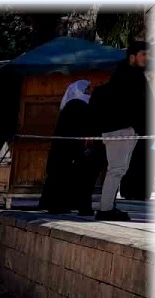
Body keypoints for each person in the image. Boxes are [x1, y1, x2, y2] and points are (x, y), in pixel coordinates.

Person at [90, 40, 150, 221]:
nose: (146, 58)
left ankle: (109, 206)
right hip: (120, 130)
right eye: (143, 54)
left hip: (124, 130)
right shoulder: (127, 76)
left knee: (119, 170)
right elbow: (136, 105)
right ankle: (106, 209)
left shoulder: (129, 75)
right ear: (132, 57)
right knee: (116, 170)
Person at [38, 80, 98, 216]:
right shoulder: (77, 105)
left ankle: (60, 205)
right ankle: (67, 205)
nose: (89, 92)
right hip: (71, 149)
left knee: (62, 177)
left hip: (66, 149)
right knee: (71, 177)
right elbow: (82, 127)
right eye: (87, 89)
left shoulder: (71, 105)